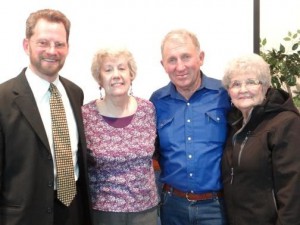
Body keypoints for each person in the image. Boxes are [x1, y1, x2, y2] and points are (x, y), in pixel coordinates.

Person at [0, 9, 92, 225]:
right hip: (23, 217)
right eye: (43, 42)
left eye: (59, 44)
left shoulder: (75, 93)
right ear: (26, 45)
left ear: (67, 48)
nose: (52, 51)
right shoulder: (3, 99)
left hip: (73, 211)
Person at [150, 29, 230, 225]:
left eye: (186, 57)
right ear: (163, 65)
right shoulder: (156, 101)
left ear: (200, 58)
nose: (180, 67)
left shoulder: (225, 95)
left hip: (217, 207)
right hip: (172, 207)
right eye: (172, 60)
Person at [82, 47, 159, 225]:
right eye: (108, 70)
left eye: (122, 68)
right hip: (103, 213)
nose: (116, 75)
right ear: (99, 78)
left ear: (131, 75)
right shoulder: (86, 115)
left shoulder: (148, 109)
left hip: (145, 211)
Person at [221, 53, 300, 225]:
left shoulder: (286, 123)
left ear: (265, 86)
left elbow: (293, 190)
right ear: (229, 91)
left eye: (251, 82)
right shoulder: (234, 124)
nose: (243, 90)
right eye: (236, 84)